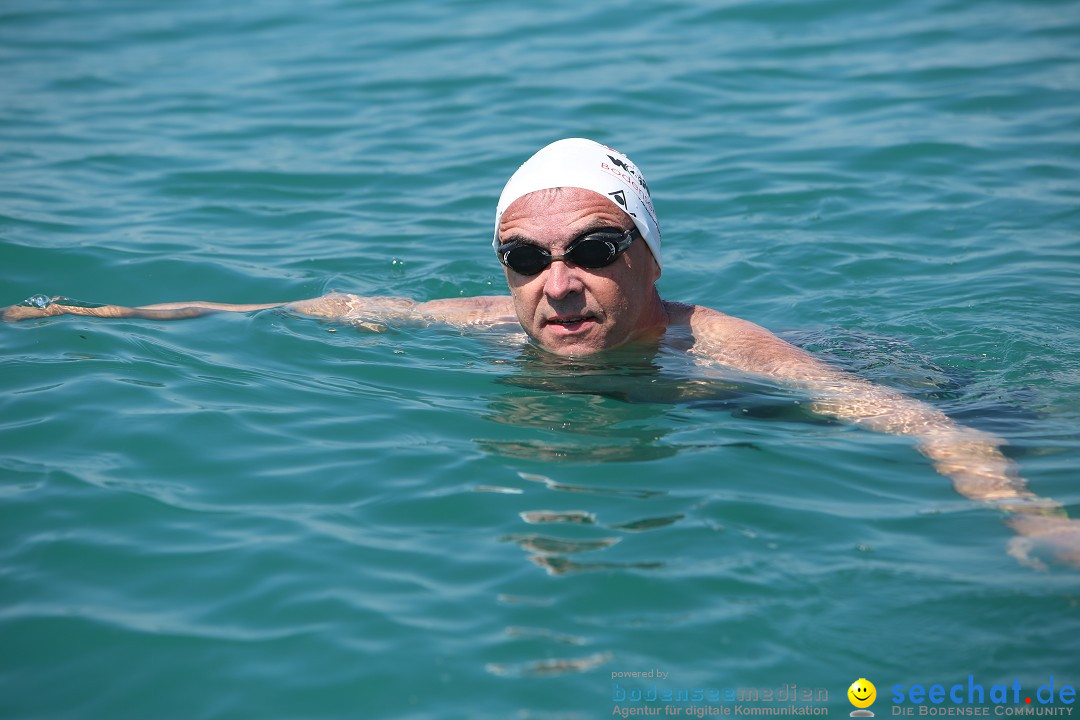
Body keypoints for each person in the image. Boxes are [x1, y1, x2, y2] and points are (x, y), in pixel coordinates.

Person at [5, 138, 1077, 567]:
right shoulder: (478, 321)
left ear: (648, 259)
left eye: (595, 249)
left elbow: (926, 426)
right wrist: (88, 319)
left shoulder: (728, 348)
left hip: (884, 387)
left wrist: (1032, 516)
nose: (557, 283)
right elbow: (301, 307)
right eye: (525, 259)